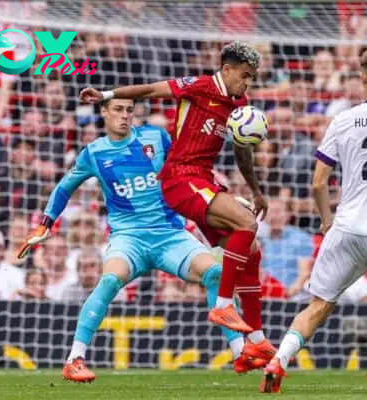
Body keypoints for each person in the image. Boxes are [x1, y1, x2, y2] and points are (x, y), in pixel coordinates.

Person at [17, 98, 263, 383]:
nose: (125, 116)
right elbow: (64, 187)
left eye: (129, 110)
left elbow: (188, 171)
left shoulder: (156, 137)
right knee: (109, 280)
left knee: (215, 274)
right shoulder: (93, 153)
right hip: (128, 238)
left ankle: (239, 352)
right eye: (118, 110)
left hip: (170, 234)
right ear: (104, 112)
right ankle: (74, 359)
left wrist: (221, 197)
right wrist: (45, 223)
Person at [79, 42, 275, 360]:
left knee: (250, 249)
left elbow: (242, 149)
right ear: (227, 70)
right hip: (180, 177)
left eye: (251, 77)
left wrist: (256, 190)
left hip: (202, 180)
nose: (247, 82)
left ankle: (254, 338)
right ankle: (224, 306)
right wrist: (107, 95)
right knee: (247, 223)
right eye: (244, 75)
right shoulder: (199, 86)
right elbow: (150, 90)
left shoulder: (241, 103)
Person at [260, 44, 367, 393]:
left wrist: (326, 221)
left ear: (362, 76)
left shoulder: (342, 120)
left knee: (320, 304)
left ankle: (279, 358)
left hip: (346, 227)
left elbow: (318, 181)